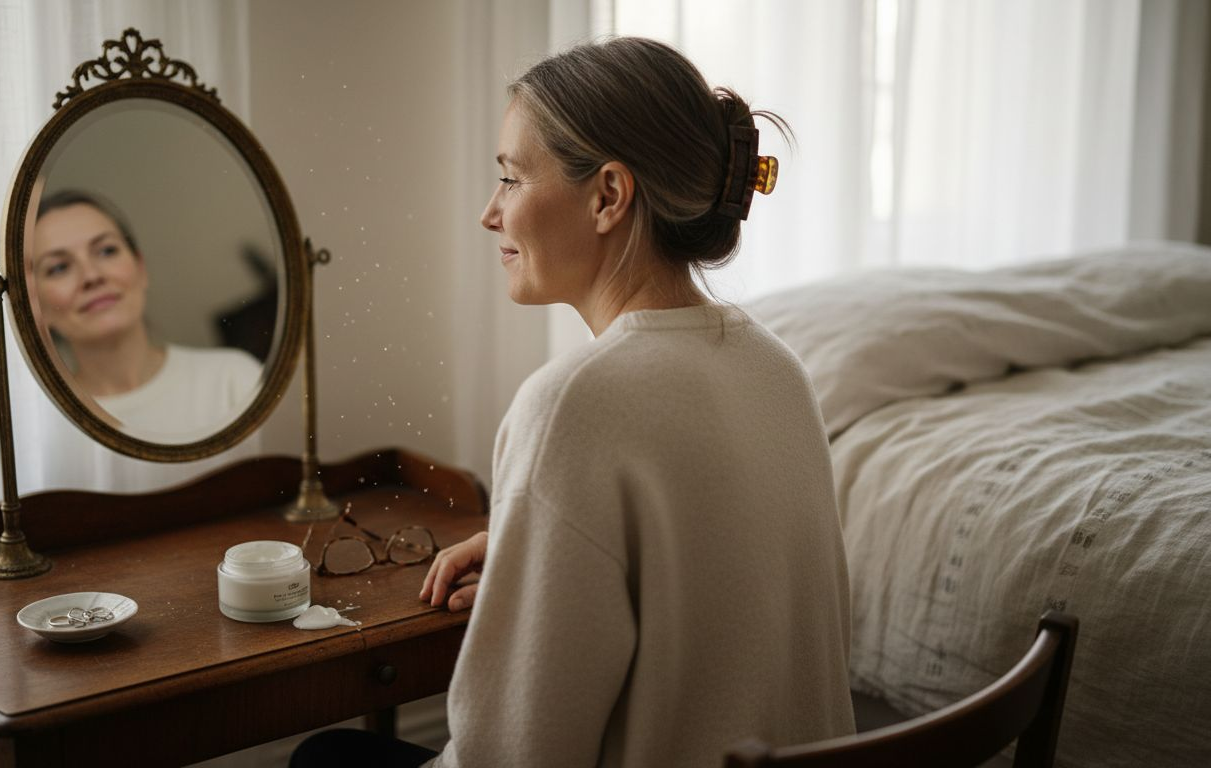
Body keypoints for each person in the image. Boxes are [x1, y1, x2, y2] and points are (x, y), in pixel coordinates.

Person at [291, 37, 854, 768]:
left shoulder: (572, 405)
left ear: (608, 197)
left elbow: (513, 752)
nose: (490, 214)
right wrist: (548, 549)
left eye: (511, 179)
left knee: (323, 758)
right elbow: (726, 582)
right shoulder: (778, 369)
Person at [30, 190, 262, 439]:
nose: (92, 276)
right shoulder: (42, 433)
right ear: (37, 304)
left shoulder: (232, 379)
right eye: (59, 267)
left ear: (141, 268)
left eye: (106, 251)